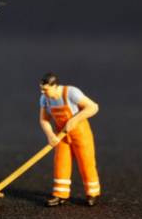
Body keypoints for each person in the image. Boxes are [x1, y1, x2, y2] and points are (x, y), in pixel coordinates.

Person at [39, 72, 101, 207]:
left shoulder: (71, 93)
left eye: (45, 89)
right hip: (61, 135)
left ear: (55, 86)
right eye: (41, 89)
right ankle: (60, 195)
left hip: (80, 132)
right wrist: (50, 135)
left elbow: (93, 107)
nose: (43, 92)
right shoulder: (45, 99)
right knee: (61, 163)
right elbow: (44, 120)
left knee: (86, 162)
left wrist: (75, 119)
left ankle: (92, 193)